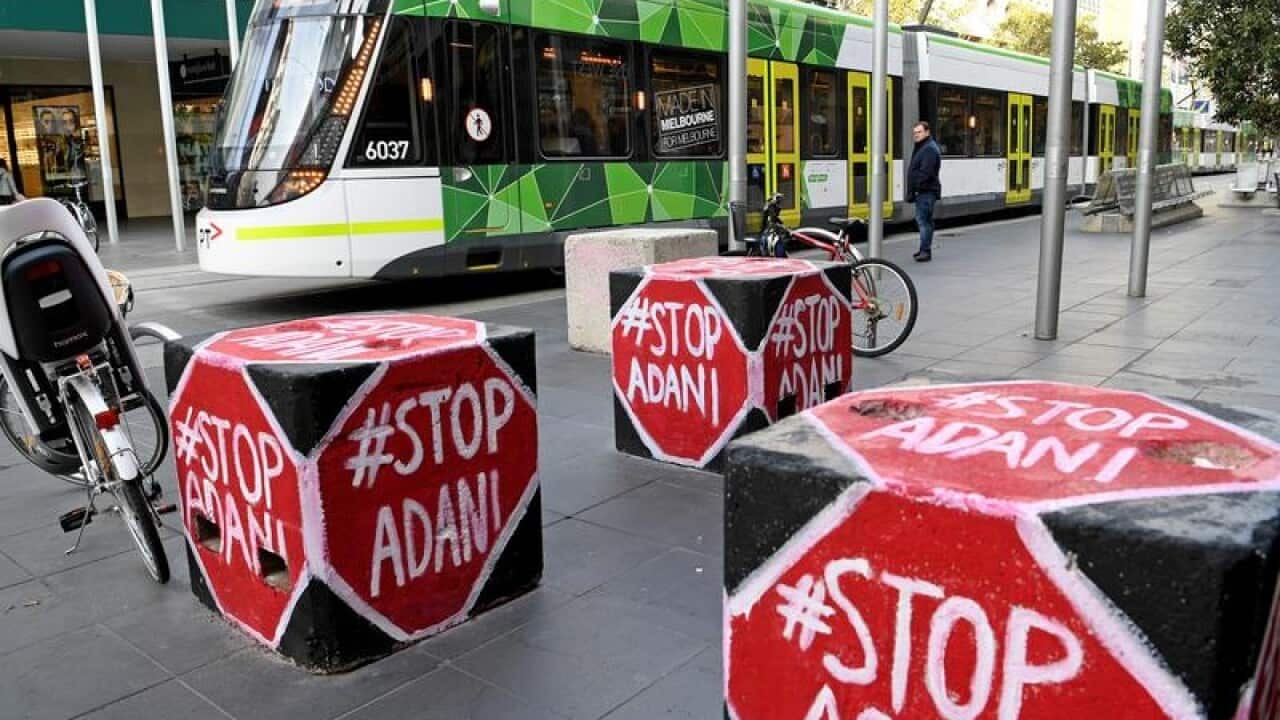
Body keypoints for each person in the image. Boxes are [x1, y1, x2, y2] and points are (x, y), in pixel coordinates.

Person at [907, 121, 942, 262]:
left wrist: (916, 188)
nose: (916, 135)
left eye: (919, 132)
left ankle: (925, 251)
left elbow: (926, 173)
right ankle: (923, 249)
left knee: (923, 222)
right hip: (925, 191)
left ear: (927, 132)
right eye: (915, 133)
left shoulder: (928, 149)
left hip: (926, 192)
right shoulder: (924, 146)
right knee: (924, 221)